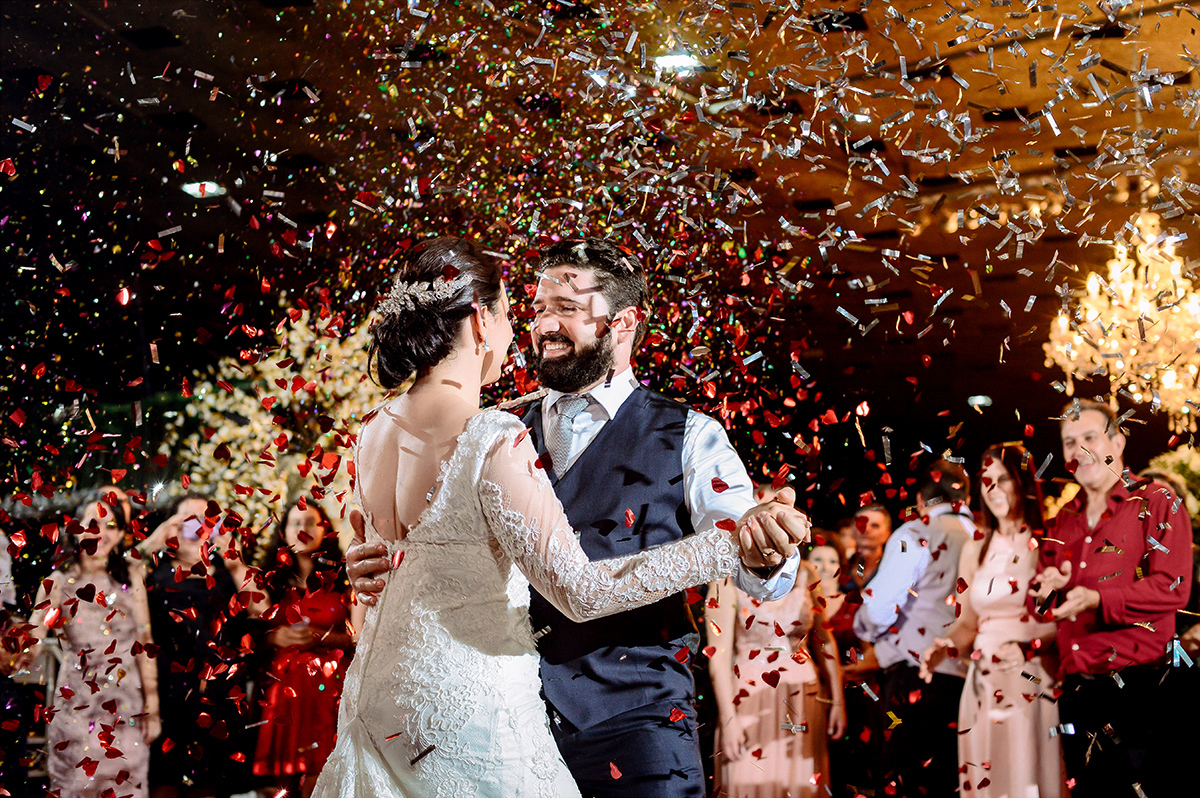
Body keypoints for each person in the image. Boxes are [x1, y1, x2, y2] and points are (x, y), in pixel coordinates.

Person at [315, 237, 809, 798]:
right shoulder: (489, 428)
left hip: (635, 726)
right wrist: (376, 565)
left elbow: (756, 556)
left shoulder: (691, 435)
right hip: (497, 724)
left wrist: (762, 546)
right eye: (538, 308)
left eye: (567, 310)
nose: (544, 324)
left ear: (624, 323)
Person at [1029, 399, 1193, 798]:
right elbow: (1041, 606)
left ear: (1117, 443)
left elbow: (1173, 585)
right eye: (1069, 442)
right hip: (1077, 694)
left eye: (1089, 436)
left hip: (1142, 689)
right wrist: (1047, 589)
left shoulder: (1157, 501)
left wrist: (1095, 598)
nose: (1077, 450)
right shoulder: (1064, 519)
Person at [920, 444, 1066, 798]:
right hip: (985, 678)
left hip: (1032, 675)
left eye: (1004, 480)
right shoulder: (975, 549)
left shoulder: (1048, 542)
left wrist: (1029, 644)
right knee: (989, 775)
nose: (994, 489)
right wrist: (945, 645)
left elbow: (1062, 619)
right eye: (987, 481)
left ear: (1023, 483)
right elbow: (967, 621)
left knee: (1030, 773)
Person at [854, 461, 972, 798]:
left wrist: (863, 628)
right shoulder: (982, 538)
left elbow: (880, 607)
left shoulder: (916, 533)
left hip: (915, 676)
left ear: (921, 499)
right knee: (955, 780)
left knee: (905, 779)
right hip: (972, 677)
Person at [30, 493, 160, 798]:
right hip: (77, 709)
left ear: (120, 533)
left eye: (111, 525)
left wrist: (152, 708)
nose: (100, 532)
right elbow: (34, 633)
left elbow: (145, 641)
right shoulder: (58, 582)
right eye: (92, 523)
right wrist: (21, 648)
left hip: (127, 708)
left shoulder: (130, 578)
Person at [144, 494, 264, 798]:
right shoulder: (152, 572)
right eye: (189, 521)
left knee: (211, 785)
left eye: (208, 520)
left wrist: (236, 563)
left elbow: (262, 610)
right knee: (164, 782)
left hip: (220, 695)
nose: (198, 528)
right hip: (169, 693)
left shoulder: (227, 571)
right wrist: (154, 542)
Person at [707, 561, 845, 797]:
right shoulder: (727, 577)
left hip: (803, 699)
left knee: (801, 783)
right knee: (747, 780)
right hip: (749, 699)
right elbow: (718, 657)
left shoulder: (807, 572)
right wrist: (729, 719)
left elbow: (824, 638)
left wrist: (838, 700)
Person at [254, 499, 353, 798]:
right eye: (295, 523)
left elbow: (358, 635)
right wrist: (274, 638)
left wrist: (320, 638)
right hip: (282, 689)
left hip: (330, 687)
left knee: (323, 771)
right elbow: (251, 631)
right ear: (283, 532)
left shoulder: (344, 575)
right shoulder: (268, 578)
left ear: (325, 529)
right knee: (279, 779)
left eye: (311, 522)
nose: (303, 529)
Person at [810, 538, 880, 798]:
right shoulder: (801, 606)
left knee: (857, 775)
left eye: (832, 561)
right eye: (818, 560)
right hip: (815, 695)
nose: (825, 567)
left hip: (856, 695)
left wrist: (843, 673)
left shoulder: (855, 602)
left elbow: (872, 649)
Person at [848, 504, 890, 588]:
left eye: (874, 526)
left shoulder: (893, 571)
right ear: (852, 530)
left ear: (887, 534)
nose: (866, 529)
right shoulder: (839, 567)